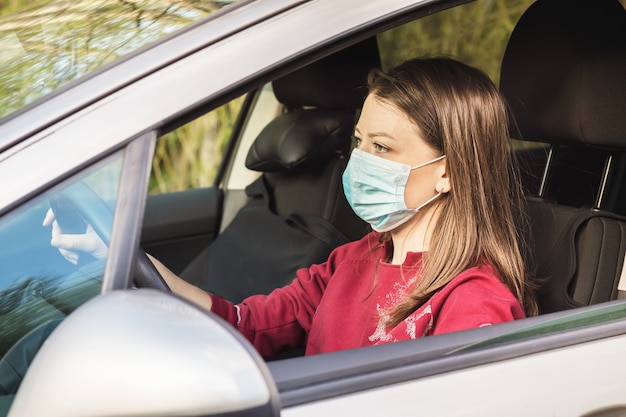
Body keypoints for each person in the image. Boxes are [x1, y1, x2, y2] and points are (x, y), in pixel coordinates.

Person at [45, 57, 537, 357]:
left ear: (449, 170)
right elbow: (248, 324)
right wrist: (127, 261)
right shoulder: (355, 257)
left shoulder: (475, 302)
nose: (360, 161)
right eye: (358, 142)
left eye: (383, 148)